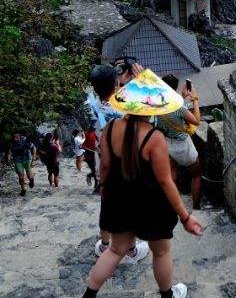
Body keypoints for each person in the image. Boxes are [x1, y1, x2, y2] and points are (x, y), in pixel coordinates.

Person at [80, 71, 203, 298]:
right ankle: (167, 295)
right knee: (161, 252)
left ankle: (89, 295)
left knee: (115, 250)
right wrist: (185, 216)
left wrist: (105, 188)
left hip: (119, 197)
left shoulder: (110, 128)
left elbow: (104, 167)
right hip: (150, 203)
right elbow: (165, 181)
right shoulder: (153, 137)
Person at [87, 63, 150, 263]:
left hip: (103, 166)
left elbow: (107, 102)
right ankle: (131, 250)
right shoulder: (126, 105)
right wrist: (142, 81)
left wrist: (102, 182)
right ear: (116, 84)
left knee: (107, 204)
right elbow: (148, 112)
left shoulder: (89, 106)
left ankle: (104, 245)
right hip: (127, 166)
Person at [157, 75, 203, 209]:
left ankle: (176, 207)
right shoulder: (178, 107)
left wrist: (182, 98)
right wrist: (194, 98)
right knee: (196, 174)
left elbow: (170, 115)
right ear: (175, 88)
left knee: (172, 176)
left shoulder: (156, 104)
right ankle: (196, 208)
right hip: (182, 145)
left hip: (166, 143)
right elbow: (197, 121)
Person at [4, 132, 36, 197]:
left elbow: (34, 148)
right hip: (18, 160)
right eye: (14, 137)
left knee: (29, 175)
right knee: (21, 177)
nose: (15, 139)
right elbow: (8, 152)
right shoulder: (11, 143)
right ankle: (23, 189)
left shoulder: (25, 140)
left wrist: (34, 160)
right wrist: (8, 160)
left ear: (20, 136)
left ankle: (31, 180)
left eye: (17, 137)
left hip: (27, 159)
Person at [83, 128, 99, 192]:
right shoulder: (89, 135)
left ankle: (89, 176)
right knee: (95, 171)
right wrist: (92, 151)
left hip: (96, 157)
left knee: (96, 171)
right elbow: (83, 146)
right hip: (90, 158)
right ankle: (96, 186)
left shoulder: (95, 135)